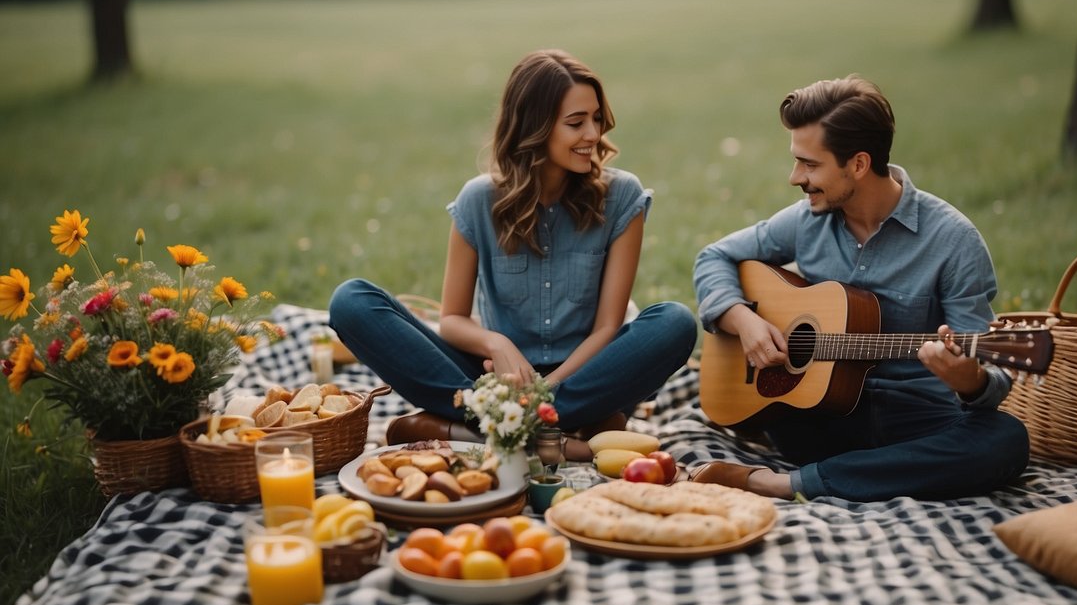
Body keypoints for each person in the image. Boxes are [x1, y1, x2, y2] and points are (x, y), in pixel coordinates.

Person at [329, 49, 697, 458]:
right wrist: (496, 344)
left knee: (675, 323)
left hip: (586, 380)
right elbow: (451, 320)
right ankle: (558, 437)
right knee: (351, 301)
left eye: (596, 119)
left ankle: (481, 428)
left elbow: (606, 329)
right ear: (533, 128)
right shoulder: (478, 200)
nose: (592, 134)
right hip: (489, 379)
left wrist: (547, 390)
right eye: (576, 123)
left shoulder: (621, 196)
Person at [691, 75, 1028, 501]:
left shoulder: (953, 241)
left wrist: (969, 381)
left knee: (1006, 440)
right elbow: (713, 257)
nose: (796, 177)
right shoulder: (805, 220)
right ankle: (860, 474)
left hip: (913, 419)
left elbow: (991, 380)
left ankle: (779, 482)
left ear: (859, 164)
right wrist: (745, 322)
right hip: (812, 416)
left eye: (810, 164)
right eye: (797, 160)